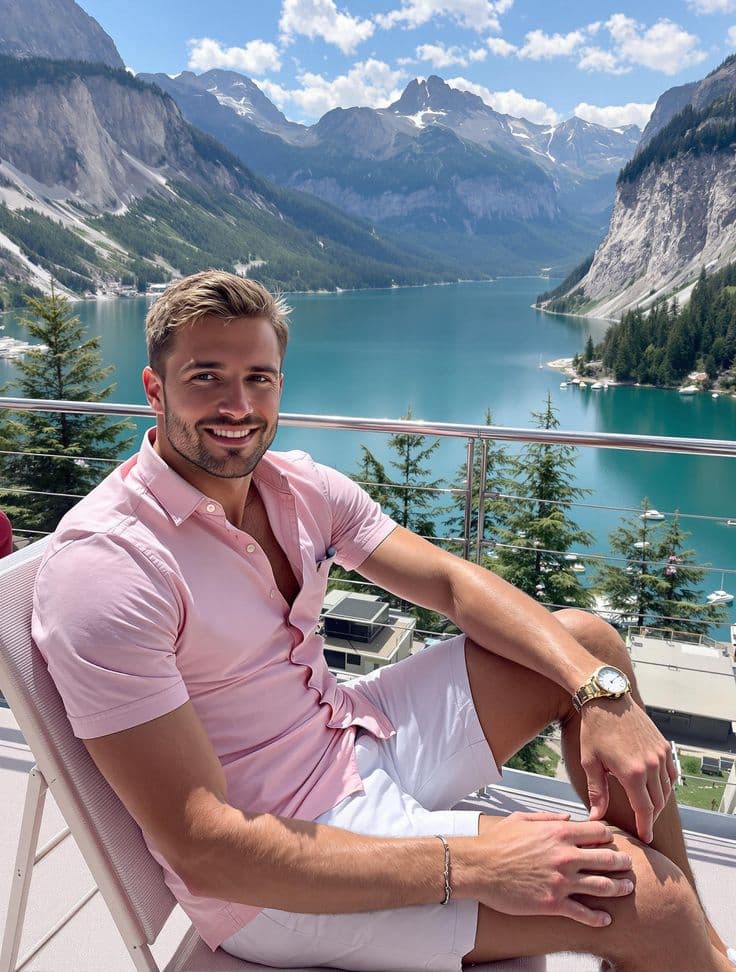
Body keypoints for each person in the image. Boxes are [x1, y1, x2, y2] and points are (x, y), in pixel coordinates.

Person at [32, 271, 733, 972]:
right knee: (650, 902)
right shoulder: (111, 567)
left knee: (586, 646)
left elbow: (451, 584)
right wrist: (473, 863)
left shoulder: (296, 487)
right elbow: (203, 847)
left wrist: (598, 689)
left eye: (258, 378)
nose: (238, 405)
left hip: (348, 735)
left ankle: (697, 949)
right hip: (271, 872)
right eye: (206, 377)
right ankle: (679, 941)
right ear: (155, 390)